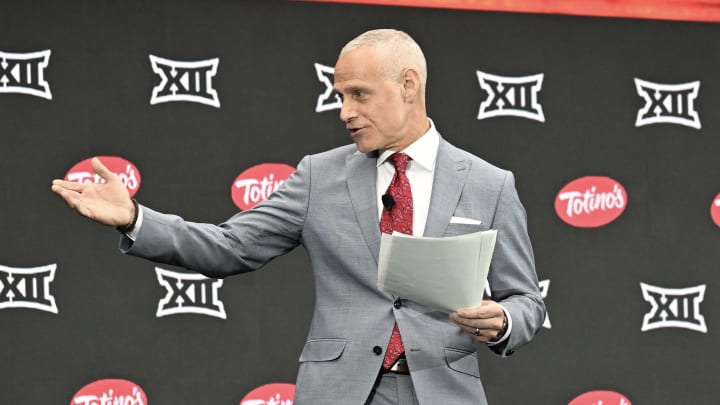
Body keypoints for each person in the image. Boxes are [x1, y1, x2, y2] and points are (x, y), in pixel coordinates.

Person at [52, 29, 545, 405]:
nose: (345, 112)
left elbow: (526, 300)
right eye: (340, 96)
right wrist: (135, 218)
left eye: (359, 94)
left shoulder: (488, 183)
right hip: (338, 392)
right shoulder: (318, 176)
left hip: (442, 393)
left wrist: (503, 320)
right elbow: (230, 246)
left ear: (409, 85)